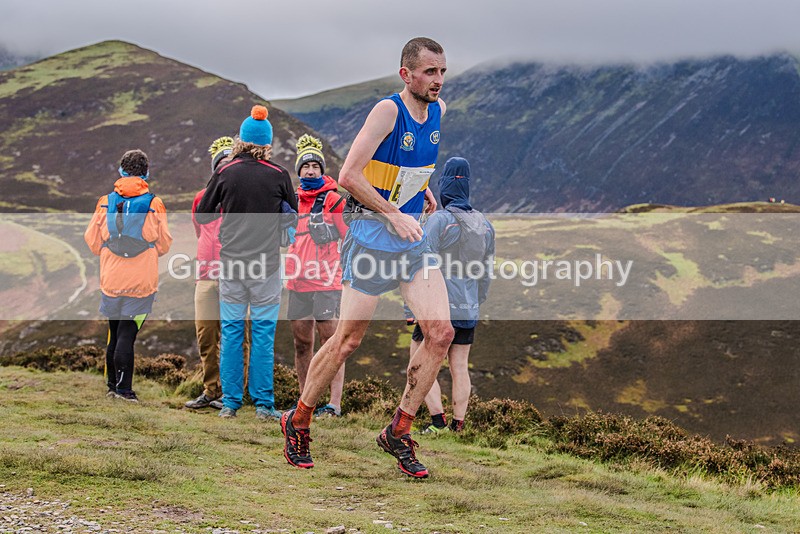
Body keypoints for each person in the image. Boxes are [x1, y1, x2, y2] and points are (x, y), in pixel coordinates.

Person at [281, 37, 452, 478]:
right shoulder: (387, 111)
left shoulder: (439, 111)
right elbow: (349, 176)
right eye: (429, 72)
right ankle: (298, 421)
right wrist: (394, 212)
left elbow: (408, 164)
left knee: (440, 333)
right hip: (372, 236)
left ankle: (399, 430)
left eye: (442, 71)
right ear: (406, 74)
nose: (438, 80)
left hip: (411, 239)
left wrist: (421, 189)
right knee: (347, 341)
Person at [195, 105, 298, 420]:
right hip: (266, 265)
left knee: (231, 331)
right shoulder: (279, 175)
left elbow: (204, 213)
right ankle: (264, 405)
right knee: (264, 334)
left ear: (241, 139)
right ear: (266, 142)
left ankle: (230, 403)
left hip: (232, 265)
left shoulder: (225, 173)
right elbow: (292, 213)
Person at [409, 157, 495, 434]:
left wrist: (410, 307)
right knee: (460, 366)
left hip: (437, 307)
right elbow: (486, 271)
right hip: (468, 308)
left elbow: (420, 263)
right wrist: (477, 301)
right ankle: (458, 425)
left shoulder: (440, 221)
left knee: (418, 363)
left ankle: (437, 421)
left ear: (444, 184)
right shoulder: (484, 225)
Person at [84, 149, 173, 402]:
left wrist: (106, 250)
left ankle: (112, 387)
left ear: (121, 171)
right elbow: (165, 243)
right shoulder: (155, 203)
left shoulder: (104, 201)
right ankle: (124, 390)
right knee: (127, 333)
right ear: (146, 173)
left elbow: (92, 241)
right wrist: (150, 250)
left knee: (114, 331)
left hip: (111, 278)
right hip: (141, 282)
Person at [185, 136, 250, 410]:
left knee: (236, 336)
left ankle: (234, 392)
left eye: (229, 163)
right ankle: (210, 389)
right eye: (220, 164)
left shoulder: (241, 198)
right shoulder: (201, 198)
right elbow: (200, 230)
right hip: (206, 275)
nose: (224, 168)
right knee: (206, 334)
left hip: (234, 273)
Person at [285, 134, 349, 417]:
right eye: (305, 166)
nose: (310, 171)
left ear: (323, 170)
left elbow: (348, 237)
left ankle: (334, 404)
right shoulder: (292, 199)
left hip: (326, 280)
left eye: (315, 166)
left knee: (332, 343)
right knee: (301, 343)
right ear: (298, 170)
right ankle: (304, 401)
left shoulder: (333, 200)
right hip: (297, 280)